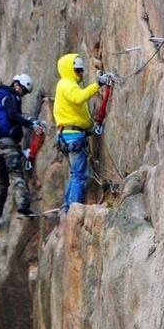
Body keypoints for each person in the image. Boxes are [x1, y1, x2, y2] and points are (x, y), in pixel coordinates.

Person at [53, 54, 110, 213]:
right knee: (79, 175)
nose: (80, 74)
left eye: (81, 70)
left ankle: (67, 207)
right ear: (70, 70)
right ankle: (74, 209)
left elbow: (79, 115)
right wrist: (98, 84)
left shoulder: (65, 85)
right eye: (77, 70)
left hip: (68, 135)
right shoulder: (67, 84)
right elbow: (78, 98)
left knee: (74, 173)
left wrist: (91, 128)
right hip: (73, 136)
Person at [0, 74, 44, 227]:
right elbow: (13, 116)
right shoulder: (12, 97)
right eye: (23, 90)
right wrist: (31, 124)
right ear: (16, 84)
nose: (22, 94)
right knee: (16, 175)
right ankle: (23, 206)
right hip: (8, 143)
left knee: (2, 183)